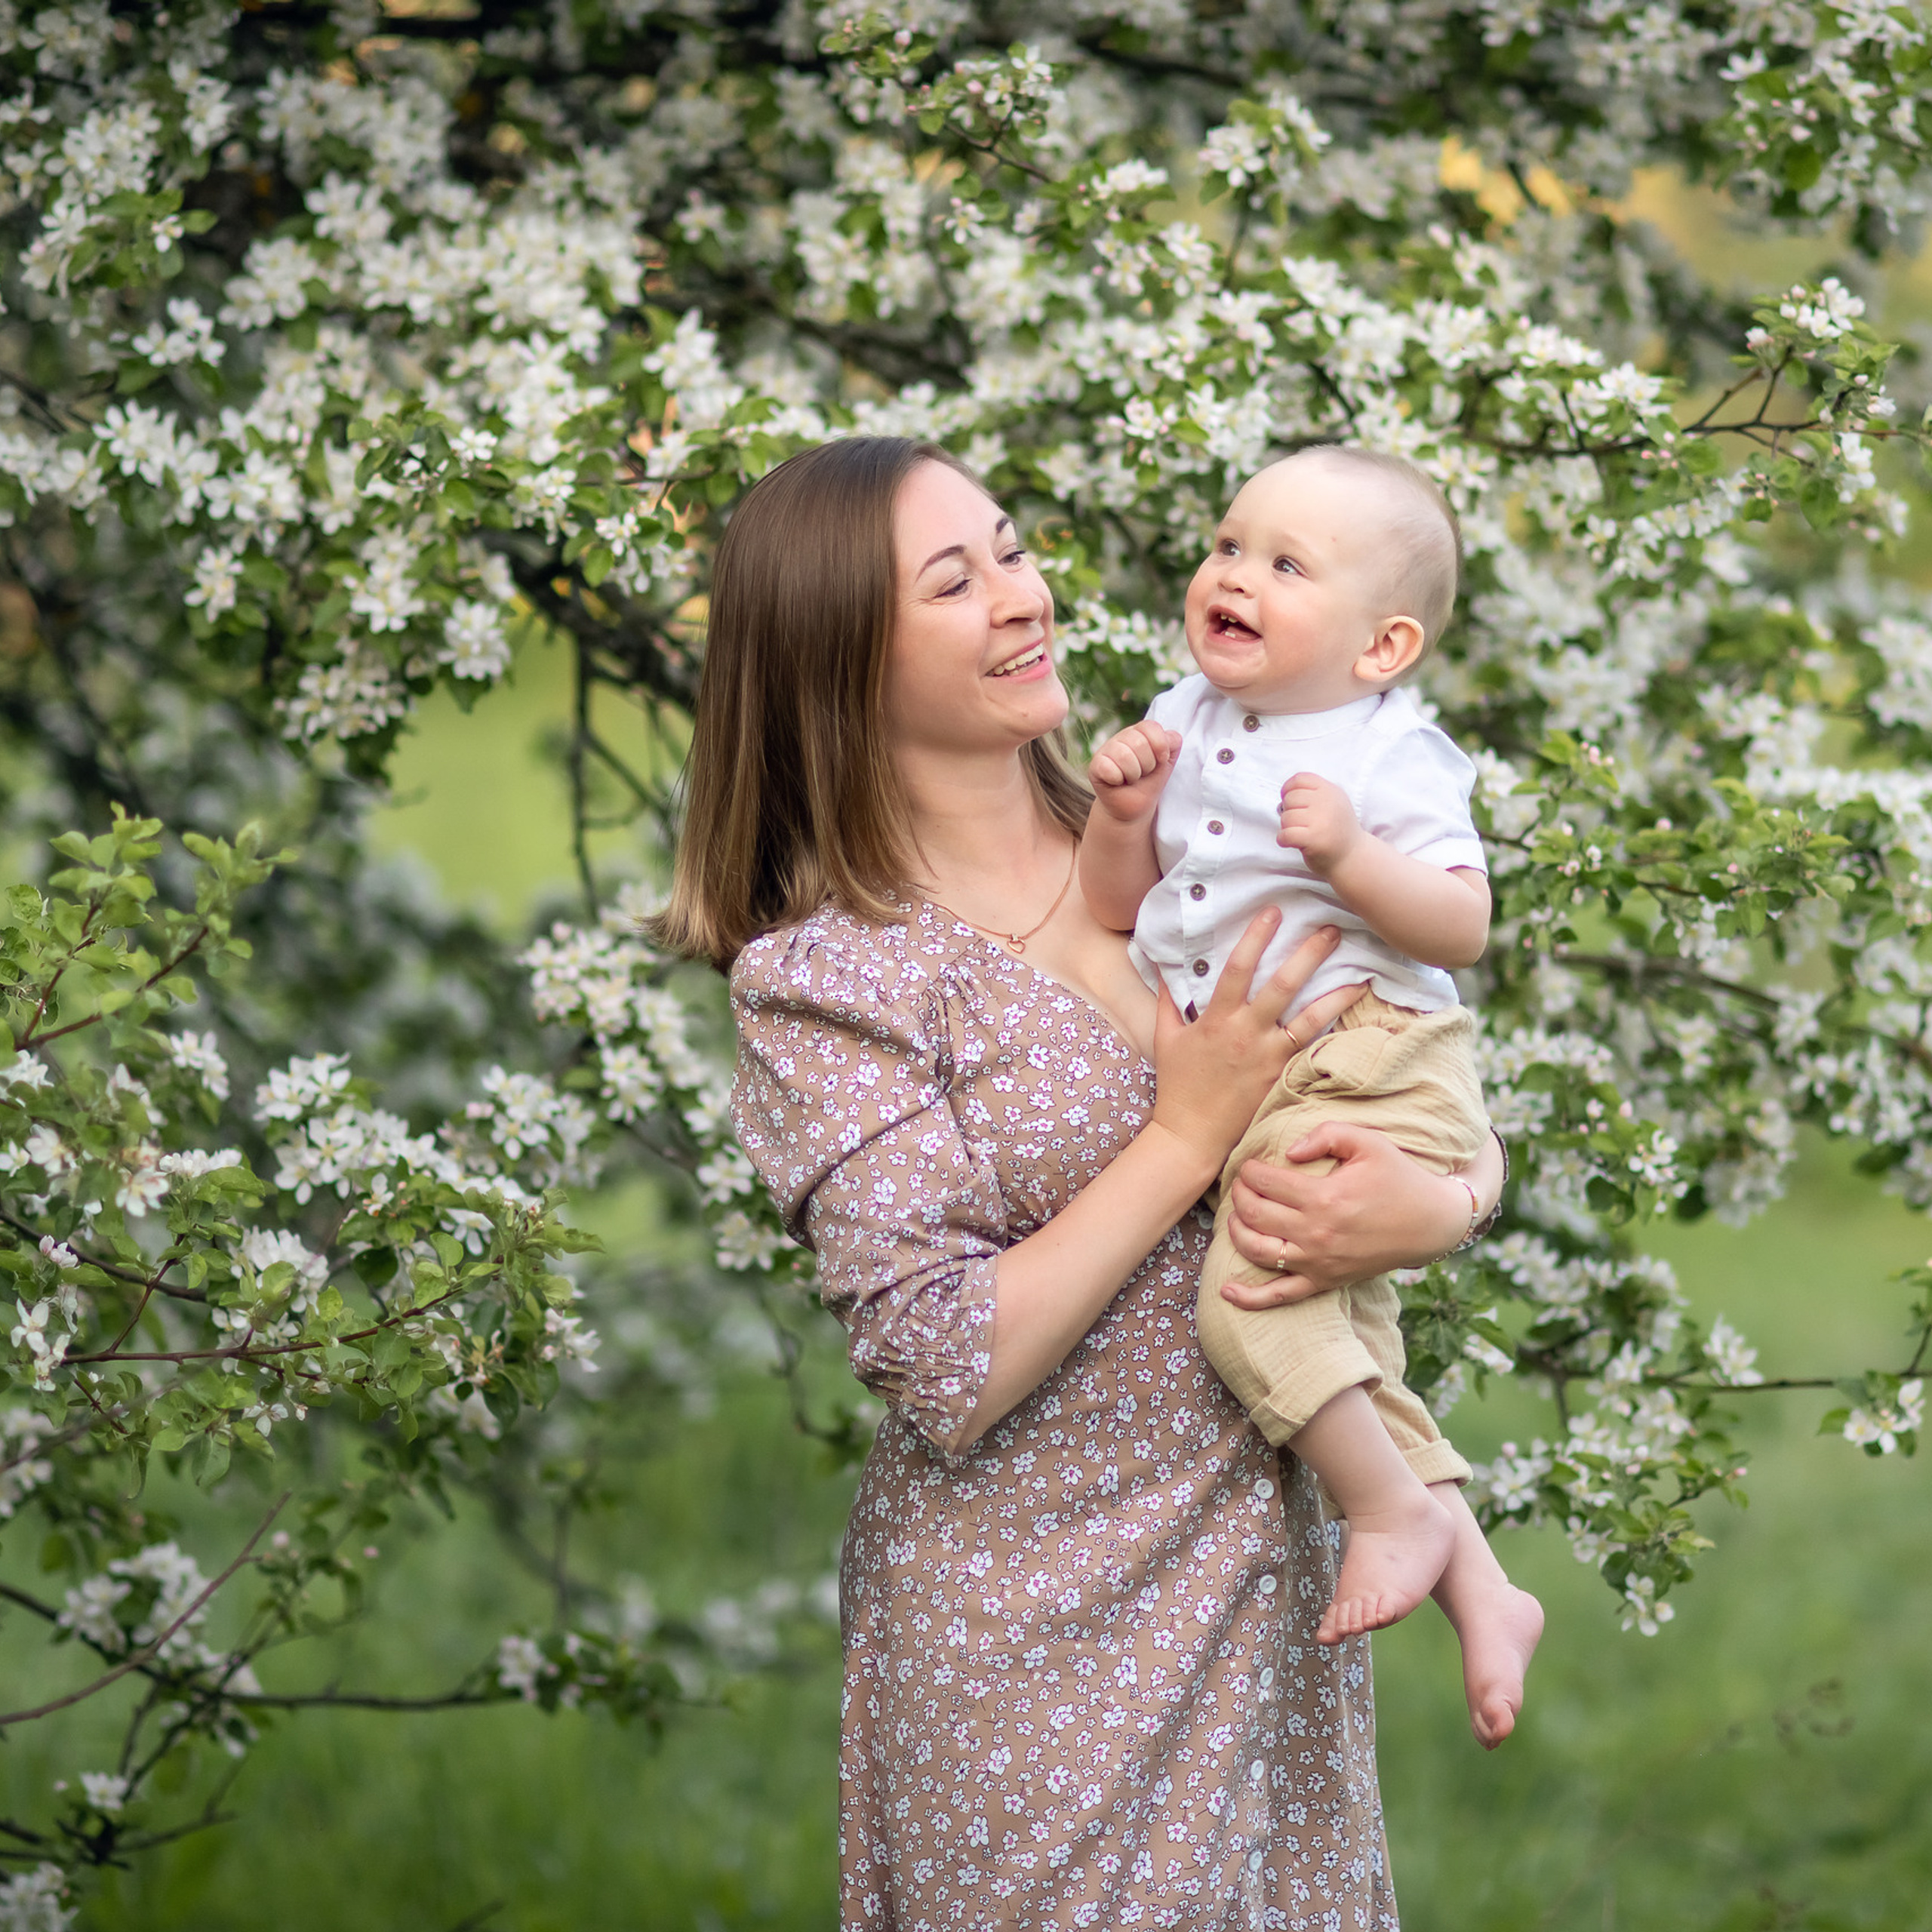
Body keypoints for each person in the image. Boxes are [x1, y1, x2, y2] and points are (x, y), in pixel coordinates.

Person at [657, 436, 1518, 1930]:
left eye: (1009, 545)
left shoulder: (1180, 821)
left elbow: (1406, 1048)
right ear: (838, 657)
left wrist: (1444, 1202)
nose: (1020, 596)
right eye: (954, 580)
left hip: (1276, 1581)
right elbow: (942, 1359)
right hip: (1044, 1624)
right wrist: (1183, 1133)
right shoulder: (831, 975)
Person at [1079, 448, 1544, 1703]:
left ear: (1382, 646)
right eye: (1230, 545)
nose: (1234, 575)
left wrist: (1349, 856)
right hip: (1285, 1082)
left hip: (1373, 1054)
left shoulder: (1392, 752)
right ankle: (1487, 1587)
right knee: (1352, 1343)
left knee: (1250, 1302)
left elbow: (1459, 928)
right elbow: (1127, 912)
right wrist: (1123, 817)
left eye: (1287, 565)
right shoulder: (1184, 713)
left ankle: (1390, 1512)